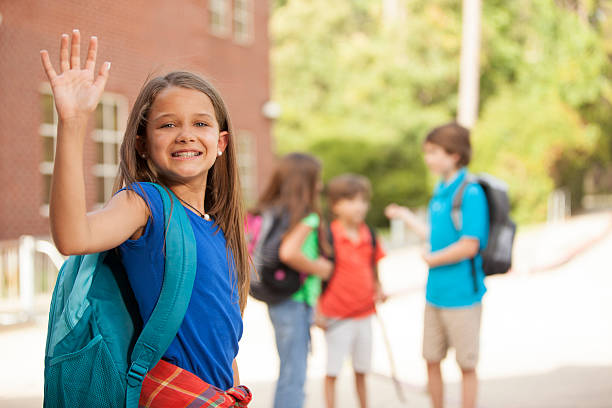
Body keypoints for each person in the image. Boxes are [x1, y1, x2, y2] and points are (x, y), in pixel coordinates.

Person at [40, 30, 251, 406]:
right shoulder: (146, 204)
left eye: (200, 124)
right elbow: (73, 236)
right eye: (168, 125)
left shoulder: (221, 230)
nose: (185, 135)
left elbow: (225, 342)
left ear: (221, 144)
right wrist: (72, 123)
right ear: (142, 143)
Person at [386, 122, 489, 408]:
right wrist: (405, 216)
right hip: (435, 294)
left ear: (454, 154)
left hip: (463, 296)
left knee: (466, 364)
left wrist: (433, 259)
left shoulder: (470, 192)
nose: (428, 158)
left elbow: (470, 244)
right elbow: (436, 235)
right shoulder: (441, 191)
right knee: (431, 359)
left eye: (434, 152)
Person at [253, 153, 333, 408]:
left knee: (289, 368)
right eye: (317, 180)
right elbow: (289, 253)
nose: (320, 186)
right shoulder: (306, 217)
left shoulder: (271, 212)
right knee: (294, 373)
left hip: (278, 298)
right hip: (294, 301)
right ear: (305, 183)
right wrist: (321, 268)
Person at [317, 174, 385, 408]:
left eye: (363, 200)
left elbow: (374, 268)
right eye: (352, 200)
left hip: (365, 315)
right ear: (335, 205)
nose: (360, 206)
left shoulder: (370, 235)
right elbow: (317, 278)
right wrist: (318, 312)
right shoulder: (328, 236)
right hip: (337, 315)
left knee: (362, 369)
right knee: (333, 370)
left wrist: (379, 289)